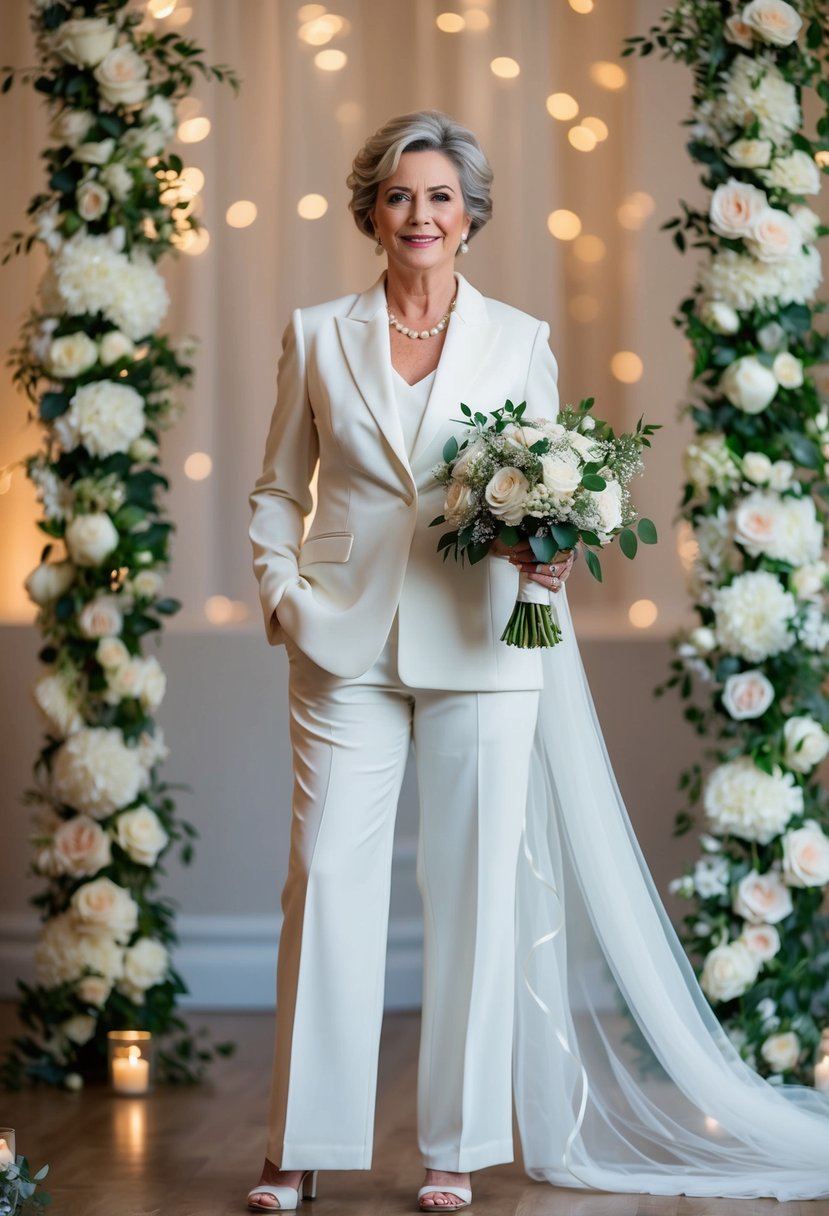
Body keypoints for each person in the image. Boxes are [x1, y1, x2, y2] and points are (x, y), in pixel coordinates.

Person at [248, 111, 829, 1213]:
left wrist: (548, 556)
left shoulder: (518, 339)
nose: (419, 214)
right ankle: (297, 1143)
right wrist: (283, 593)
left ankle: (454, 1147)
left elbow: (553, 489)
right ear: (371, 210)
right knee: (324, 879)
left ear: (471, 215)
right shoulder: (317, 331)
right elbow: (277, 486)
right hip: (343, 638)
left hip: (484, 637)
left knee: (472, 891)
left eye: (439, 196)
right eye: (399, 194)